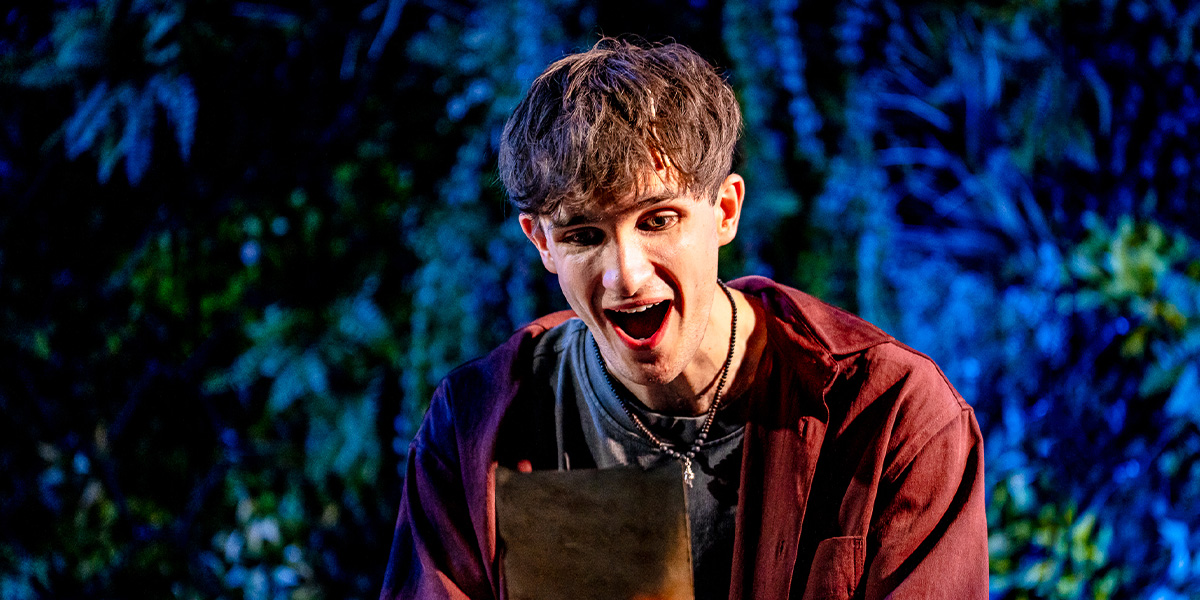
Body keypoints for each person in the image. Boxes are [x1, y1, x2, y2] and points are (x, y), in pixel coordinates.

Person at [381, 37, 988, 600]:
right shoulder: (476, 423)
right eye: (584, 235)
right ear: (541, 244)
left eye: (658, 220)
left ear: (724, 211)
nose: (627, 274)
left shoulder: (893, 415)